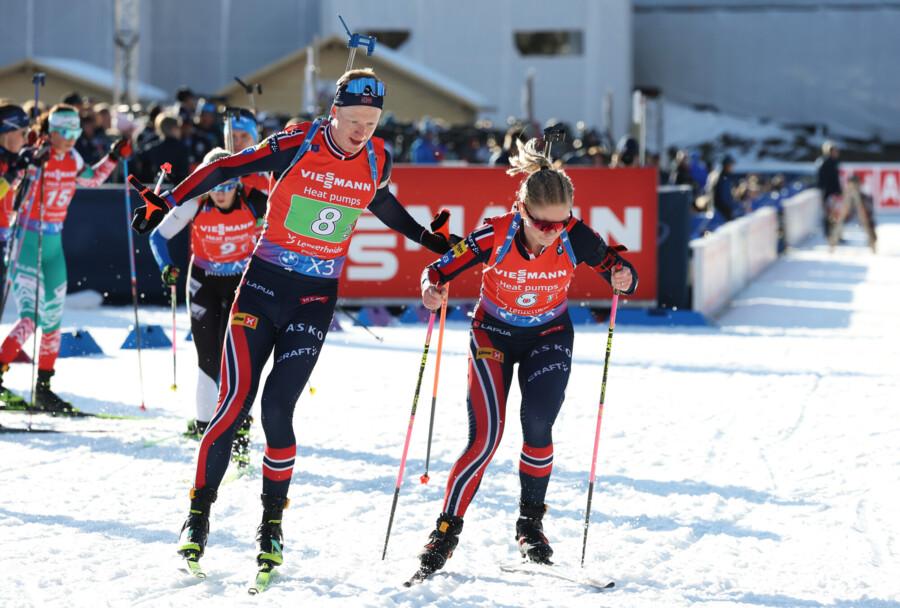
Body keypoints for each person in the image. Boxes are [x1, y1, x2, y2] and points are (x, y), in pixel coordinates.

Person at [127, 67, 458, 574]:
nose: (362, 130)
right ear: (335, 112)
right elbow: (228, 168)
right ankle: (198, 517)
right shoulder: (300, 141)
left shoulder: (376, 157)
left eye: (371, 121)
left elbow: (382, 203)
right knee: (233, 405)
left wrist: (427, 238)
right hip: (261, 287)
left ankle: (271, 526)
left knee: (279, 412)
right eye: (354, 119)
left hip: (314, 299)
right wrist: (168, 199)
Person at [411, 137, 637, 579]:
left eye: (562, 223)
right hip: (492, 334)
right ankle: (444, 532)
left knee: (537, 425)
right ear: (522, 209)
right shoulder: (495, 233)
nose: (554, 232)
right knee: (486, 438)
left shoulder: (575, 234)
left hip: (549, 335)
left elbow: (619, 273)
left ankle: (530, 528)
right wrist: (430, 289)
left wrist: (624, 278)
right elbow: (438, 270)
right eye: (544, 225)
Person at [0, 104, 129, 410]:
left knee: (53, 321)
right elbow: (10, 184)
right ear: (50, 131)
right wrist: (29, 163)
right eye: (63, 132)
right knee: (30, 318)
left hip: (54, 244)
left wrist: (113, 157)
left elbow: (92, 179)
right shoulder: (32, 153)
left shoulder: (73, 158)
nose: (70, 138)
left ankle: (44, 388)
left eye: (74, 131)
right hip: (26, 242)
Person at [149, 148, 267, 463]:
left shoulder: (256, 201)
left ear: (237, 182)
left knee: (241, 359)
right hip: (203, 284)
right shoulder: (195, 201)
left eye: (228, 185)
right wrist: (166, 265)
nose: (222, 194)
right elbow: (157, 238)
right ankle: (205, 431)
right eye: (215, 187)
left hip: (241, 285)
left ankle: (240, 430)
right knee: (209, 360)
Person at [815, 140, 841, 239]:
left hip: (833, 192)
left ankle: (834, 233)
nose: (837, 153)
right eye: (835, 151)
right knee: (829, 214)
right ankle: (829, 233)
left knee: (835, 213)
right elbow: (823, 180)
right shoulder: (825, 162)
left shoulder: (834, 162)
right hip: (829, 193)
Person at [705, 155, 739, 221]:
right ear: (726, 165)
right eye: (731, 165)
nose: (732, 168)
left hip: (715, 211)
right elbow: (725, 199)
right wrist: (736, 205)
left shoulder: (718, 175)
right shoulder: (723, 178)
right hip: (722, 213)